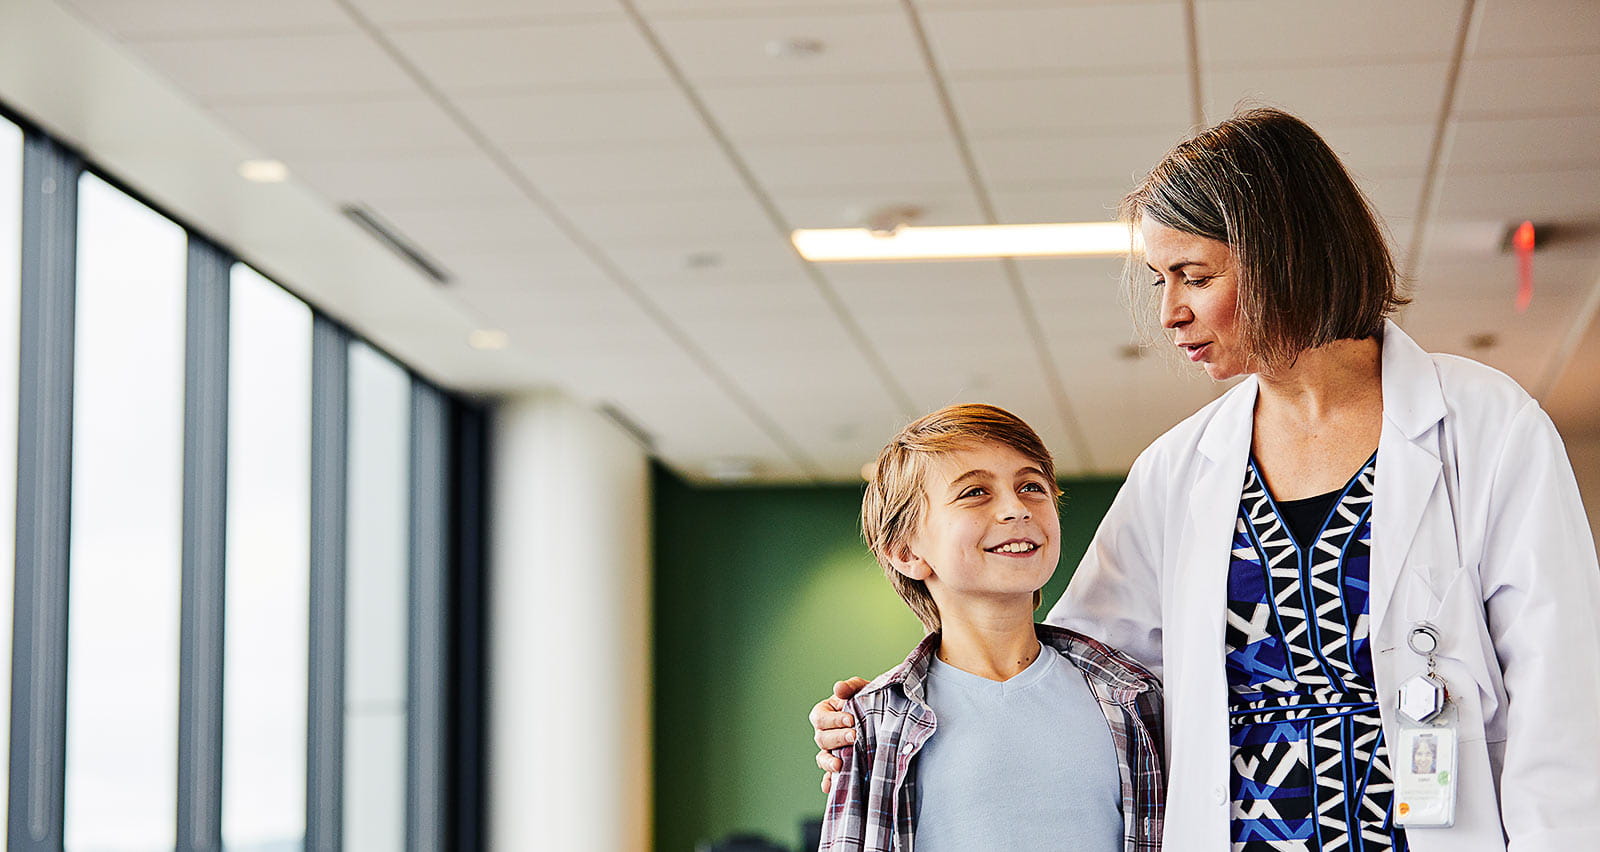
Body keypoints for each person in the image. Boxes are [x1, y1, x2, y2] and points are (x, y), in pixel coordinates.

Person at [811, 108, 1600, 851]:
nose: (1170, 314)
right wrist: (890, 714)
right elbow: (1076, 673)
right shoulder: (1180, 470)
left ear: (1280, 253)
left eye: (1192, 275)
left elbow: (1560, 695)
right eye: (1161, 281)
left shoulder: (1485, 426)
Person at [820, 404, 1163, 852]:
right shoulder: (875, 720)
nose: (1016, 508)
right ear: (906, 551)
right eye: (975, 492)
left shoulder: (1133, 697)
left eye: (1032, 487)